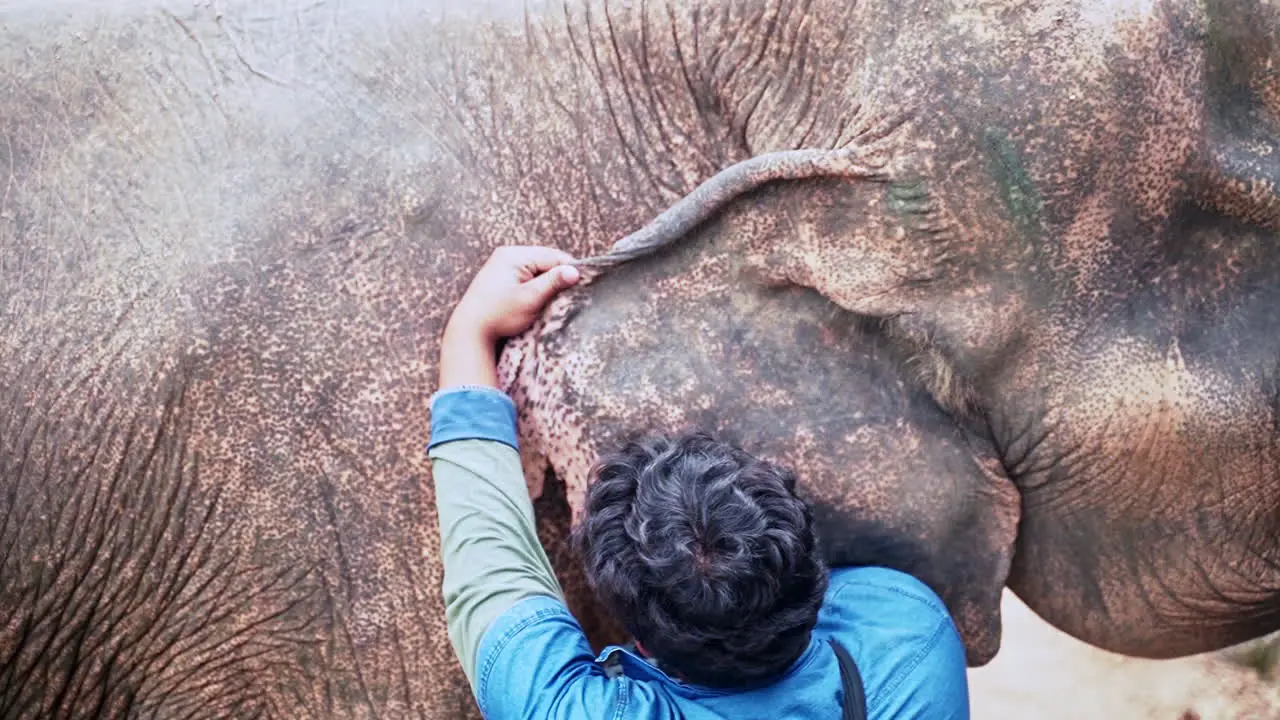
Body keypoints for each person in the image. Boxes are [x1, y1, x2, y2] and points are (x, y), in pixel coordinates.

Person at [428, 246, 970, 719]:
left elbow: (490, 560)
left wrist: (468, 333)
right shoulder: (912, 637)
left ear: (637, 640)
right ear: (809, 575)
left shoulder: (564, 707)